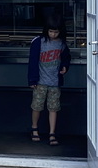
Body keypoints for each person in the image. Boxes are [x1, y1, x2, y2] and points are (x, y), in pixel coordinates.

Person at [28, 18, 71, 146]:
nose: (53, 34)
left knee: (54, 107)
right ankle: (34, 128)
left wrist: (65, 66)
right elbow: (32, 62)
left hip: (55, 81)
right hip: (40, 81)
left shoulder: (62, 44)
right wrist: (32, 79)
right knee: (37, 106)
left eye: (56, 32)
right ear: (46, 30)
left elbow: (66, 57)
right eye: (51, 31)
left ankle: (52, 132)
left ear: (60, 32)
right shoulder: (38, 42)